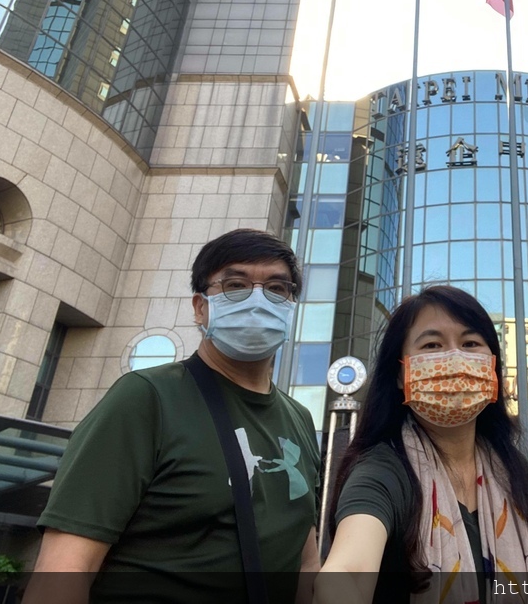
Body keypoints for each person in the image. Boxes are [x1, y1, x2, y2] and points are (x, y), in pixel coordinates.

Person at [26, 228, 320, 604]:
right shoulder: (146, 398)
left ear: (291, 306)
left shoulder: (299, 419)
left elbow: (306, 562)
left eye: (277, 289)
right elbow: (65, 568)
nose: (258, 301)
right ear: (200, 307)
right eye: (235, 285)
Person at [316, 285, 528, 604]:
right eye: (432, 345)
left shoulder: (513, 471)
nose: (455, 358)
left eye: (470, 343)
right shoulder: (383, 472)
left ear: (492, 367)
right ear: (400, 374)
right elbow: (347, 571)